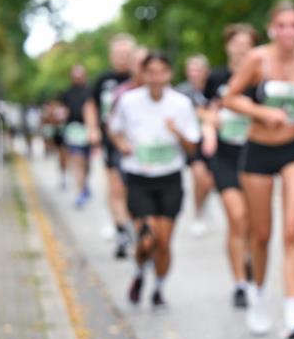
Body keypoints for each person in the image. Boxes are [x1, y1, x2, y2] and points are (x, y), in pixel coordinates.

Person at [224, 1, 294, 339]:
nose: (288, 32)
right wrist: (261, 112)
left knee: (292, 230)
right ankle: (258, 296)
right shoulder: (257, 60)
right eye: (282, 25)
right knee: (261, 234)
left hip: (293, 149)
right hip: (259, 150)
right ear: (271, 29)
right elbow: (230, 98)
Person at [109, 52, 200, 308]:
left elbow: (193, 147)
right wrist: (123, 145)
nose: (156, 77)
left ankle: (159, 288)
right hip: (139, 178)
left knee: (163, 242)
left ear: (169, 74)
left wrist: (177, 133)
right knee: (147, 240)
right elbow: (114, 131)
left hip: (170, 178)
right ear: (143, 74)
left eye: (162, 71)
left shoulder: (181, 104)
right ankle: (139, 273)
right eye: (151, 71)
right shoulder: (128, 101)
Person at [203, 23, 259, 308]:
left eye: (247, 45)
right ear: (228, 46)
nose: (241, 50)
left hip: (253, 157)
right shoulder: (216, 78)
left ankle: (248, 260)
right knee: (236, 218)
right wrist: (210, 126)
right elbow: (204, 109)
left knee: (252, 223)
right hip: (224, 157)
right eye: (237, 44)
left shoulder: (260, 80)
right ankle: (239, 283)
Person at [93, 34, 136, 258]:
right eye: (118, 54)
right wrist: (93, 129)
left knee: (130, 190)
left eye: (126, 54)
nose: (122, 58)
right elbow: (91, 105)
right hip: (111, 142)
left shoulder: (140, 77)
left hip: (137, 143)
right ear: (111, 56)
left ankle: (130, 224)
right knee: (115, 188)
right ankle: (121, 230)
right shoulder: (104, 80)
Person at [175, 54, 215, 237]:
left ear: (206, 71)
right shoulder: (181, 92)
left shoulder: (213, 88)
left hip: (213, 142)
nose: (194, 73)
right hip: (192, 143)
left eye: (198, 69)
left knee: (209, 181)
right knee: (200, 177)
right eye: (191, 69)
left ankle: (203, 205)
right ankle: (198, 214)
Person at [58, 65, 100, 209]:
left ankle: (85, 185)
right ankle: (80, 191)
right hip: (73, 131)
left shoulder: (91, 92)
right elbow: (62, 110)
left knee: (87, 163)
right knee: (77, 161)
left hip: (88, 130)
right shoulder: (67, 93)